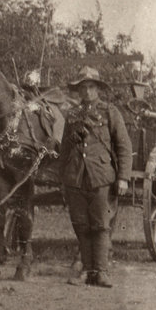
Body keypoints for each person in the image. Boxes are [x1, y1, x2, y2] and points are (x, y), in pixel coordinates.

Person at [59, 66, 132, 288]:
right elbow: (64, 150)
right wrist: (64, 180)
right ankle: (86, 272)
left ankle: (101, 272)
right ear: (78, 91)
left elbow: (123, 146)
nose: (87, 92)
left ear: (98, 89)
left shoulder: (111, 113)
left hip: (101, 178)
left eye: (91, 87)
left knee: (101, 225)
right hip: (76, 178)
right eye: (83, 88)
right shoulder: (72, 115)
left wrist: (123, 178)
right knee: (81, 225)